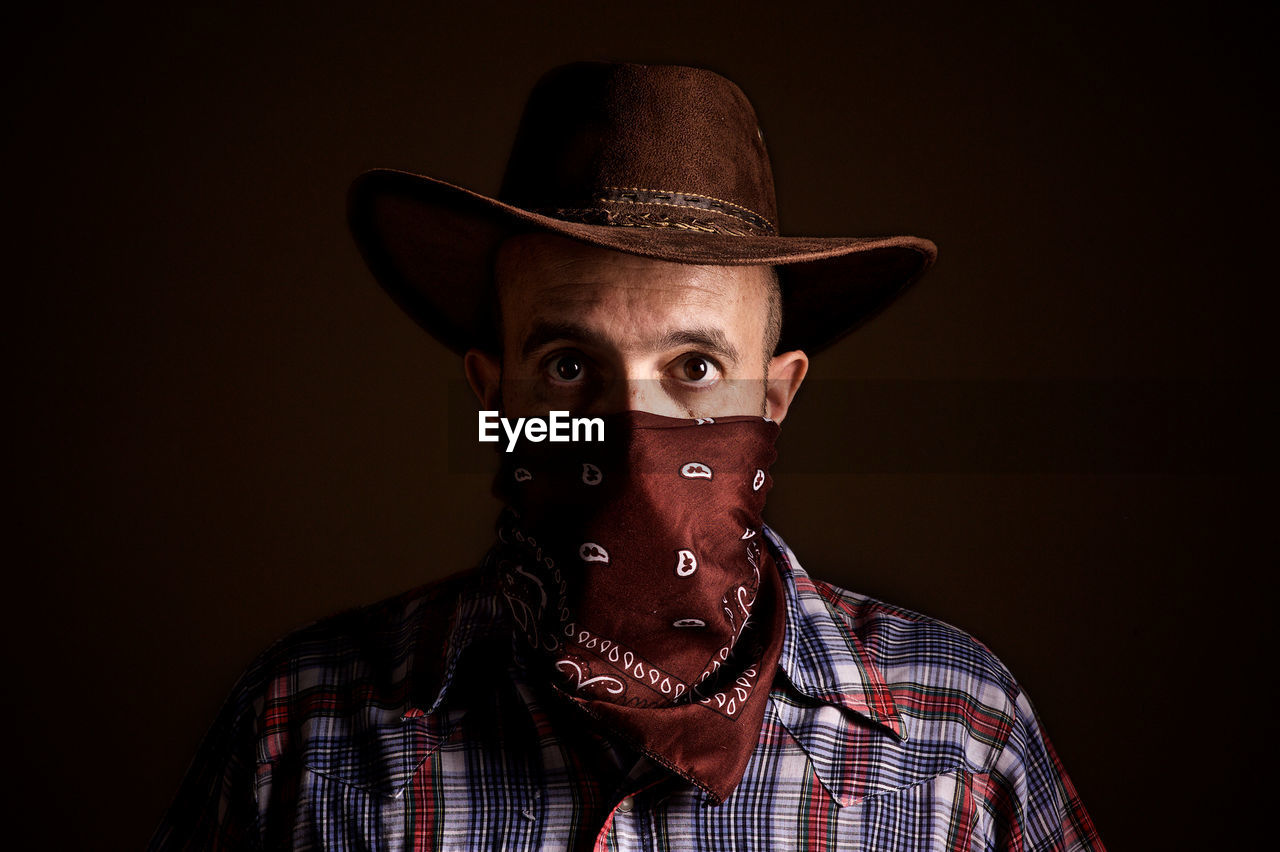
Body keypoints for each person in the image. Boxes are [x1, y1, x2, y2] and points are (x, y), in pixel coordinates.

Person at [150, 62, 1103, 851]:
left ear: (774, 398)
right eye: (569, 365)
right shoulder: (305, 732)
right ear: (498, 395)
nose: (632, 429)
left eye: (694, 366)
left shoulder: (957, 734)